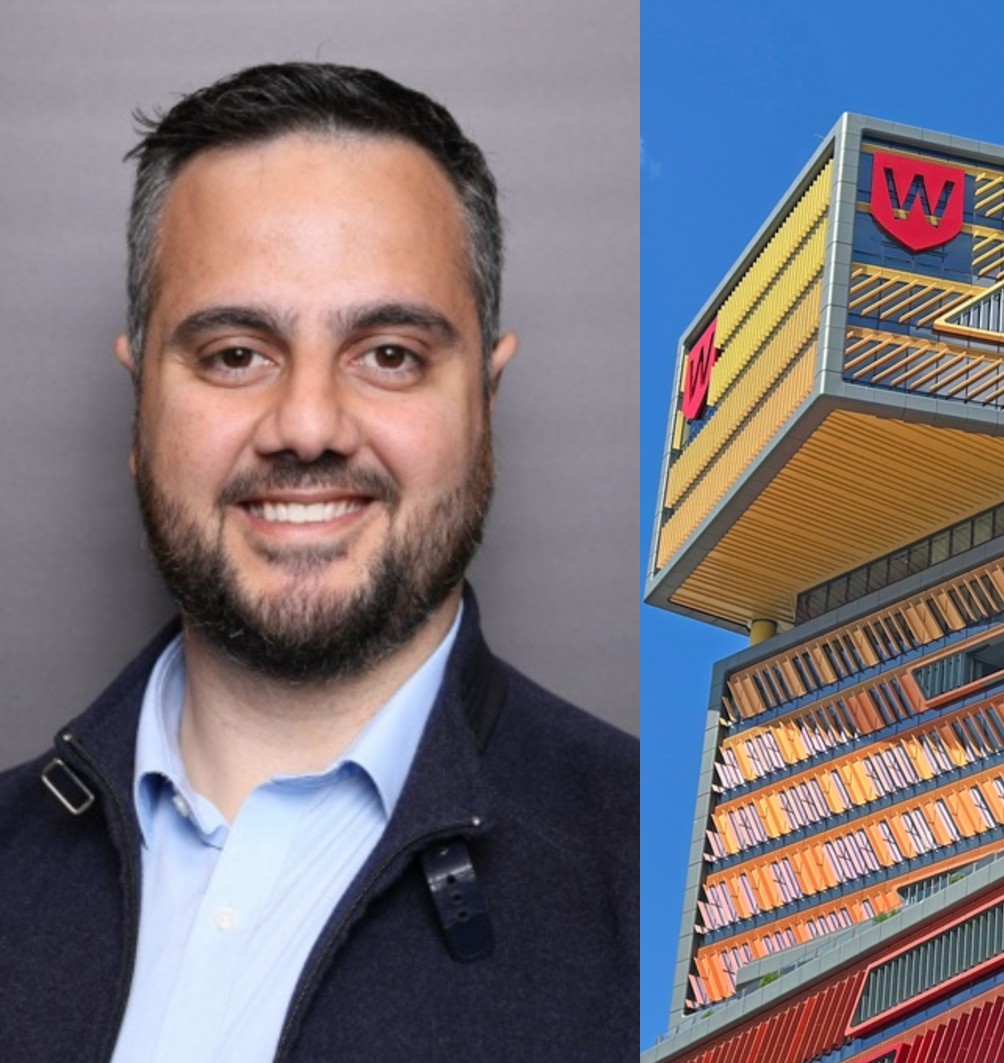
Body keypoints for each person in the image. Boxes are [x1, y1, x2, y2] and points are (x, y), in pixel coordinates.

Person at [0, 63, 638, 1061]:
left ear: (485, 401)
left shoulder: (683, 896)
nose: (306, 426)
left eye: (388, 353)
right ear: (141, 401)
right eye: (233, 354)